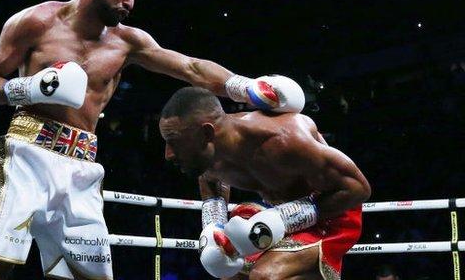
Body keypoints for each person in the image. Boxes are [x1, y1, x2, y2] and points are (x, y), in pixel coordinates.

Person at [0, 0, 306, 280]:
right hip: (26, 157)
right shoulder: (35, 22)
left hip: (83, 168)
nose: (130, 2)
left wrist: (243, 86)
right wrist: (34, 88)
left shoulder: (127, 42)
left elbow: (191, 68)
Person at [158, 87, 371, 280]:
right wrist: (213, 225)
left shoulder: (283, 139)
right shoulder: (206, 157)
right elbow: (211, 182)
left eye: (175, 142)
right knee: (231, 274)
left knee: (265, 276)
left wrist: (283, 219)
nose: (168, 154)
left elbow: (358, 188)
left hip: (332, 214)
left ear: (207, 133)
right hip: (275, 214)